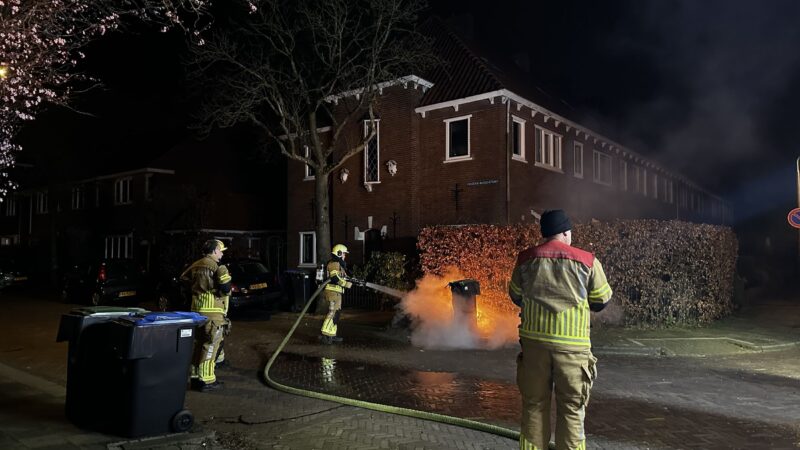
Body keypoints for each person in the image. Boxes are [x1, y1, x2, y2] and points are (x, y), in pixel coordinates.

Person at [508, 209, 612, 450]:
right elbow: (601, 300)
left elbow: (515, 295)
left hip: (535, 348)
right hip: (573, 350)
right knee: (572, 410)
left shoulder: (525, 259)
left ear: (544, 233)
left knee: (534, 406)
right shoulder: (587, 261)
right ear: (566, 232)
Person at [182, 239, 231, 392]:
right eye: (221, 250)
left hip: (196, 312)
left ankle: (195, 377)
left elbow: (183, 280)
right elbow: (225, 289)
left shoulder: (195, 265)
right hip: (213, 314)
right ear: (215, 250)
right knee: (210, 346)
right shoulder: (217, 267)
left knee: (198, 345)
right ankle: (207, 380)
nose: (222, 254)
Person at [320, 244, 353, 344]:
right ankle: (325, 335)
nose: (344, 256)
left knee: (336, 314)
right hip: (333, 292)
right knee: (332, 313)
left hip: (337, 292)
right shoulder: (334, 263)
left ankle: (332, 334)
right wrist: (346, 284)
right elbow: (334, 278)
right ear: (338, 253)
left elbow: (343, 277)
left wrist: (352, 281)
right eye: (343, 254)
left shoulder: (339, 265)